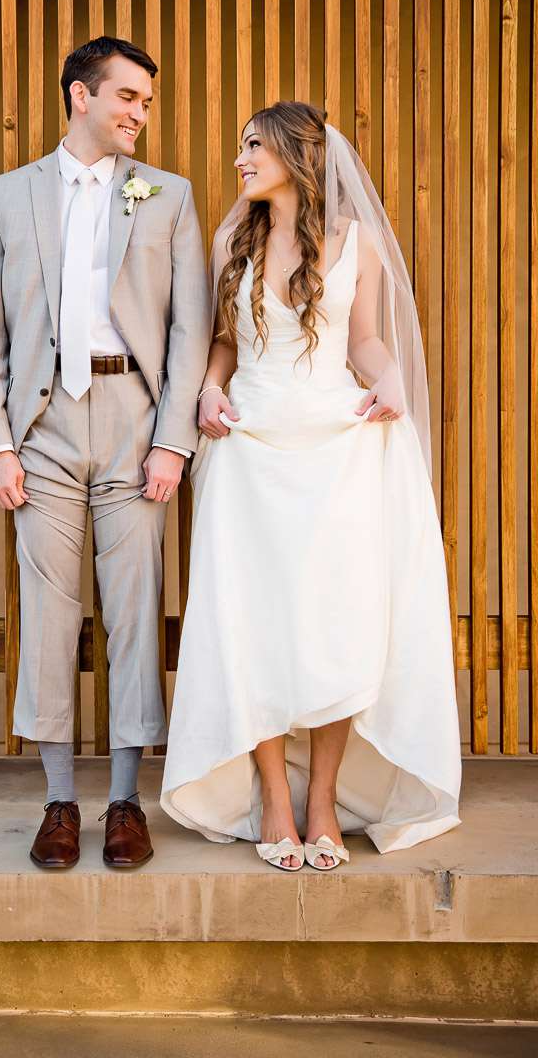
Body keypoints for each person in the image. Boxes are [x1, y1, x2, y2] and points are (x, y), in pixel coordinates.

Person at [160, 102, 461, 871]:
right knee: (250, 625)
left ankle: (322, 798)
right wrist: (208, 391)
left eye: (253, 145)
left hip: (337, 448)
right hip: (249, 449)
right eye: (239, 147)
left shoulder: (354, 242)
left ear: (297, 154)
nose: (239, 160)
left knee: (337, 624)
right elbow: (224, 343)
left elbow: (364, 340)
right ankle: (272, 796)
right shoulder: (234, 240)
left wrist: (391, 380)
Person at [0, 36, 211, 869]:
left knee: (136, 609)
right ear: (80, 95)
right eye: (129, 97)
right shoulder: (6, 198)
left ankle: (126, 804)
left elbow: (190, 331)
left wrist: (173, 441)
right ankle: (61, 800)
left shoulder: (168, 197)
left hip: (135, 423)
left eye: (146, 101)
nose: (142, 113)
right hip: (41, 431)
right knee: (50, 614)